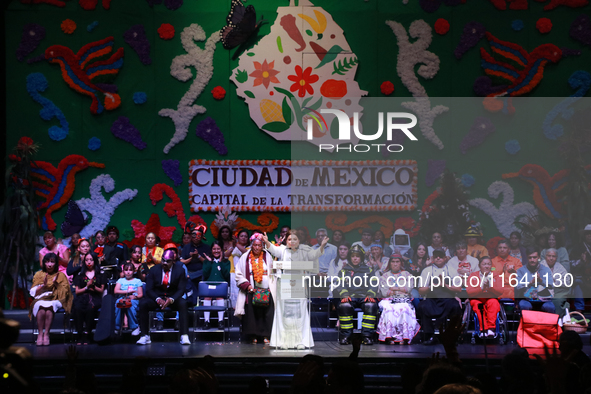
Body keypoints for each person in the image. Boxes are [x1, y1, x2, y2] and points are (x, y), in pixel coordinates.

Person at [264, 230, 328, 349]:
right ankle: (283, 342)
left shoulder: (305, 250)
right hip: (284, 285)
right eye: (289, 239)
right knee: (284, 314)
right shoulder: (282, 250)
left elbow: (314, 255)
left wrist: (322, 245)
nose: (292, 242)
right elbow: (273, 249)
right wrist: (267, 242)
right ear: (286, 241)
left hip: (299, 284)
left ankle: (301, 342)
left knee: (299, 314)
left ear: (299, 240)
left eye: (295, 239)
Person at [137, 245, 191, 345]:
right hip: (157, 297)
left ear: (173, 262)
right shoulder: (154, 270)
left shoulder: (180, 271)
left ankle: (184, 335)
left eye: (168, 261)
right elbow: (149, 289)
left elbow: (181, 289)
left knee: (183, 303)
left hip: (172, 298)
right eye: (163, 260)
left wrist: (171, 299)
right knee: (143, 303)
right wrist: (157, 299)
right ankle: (144, 335)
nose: (164, 263)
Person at [235, 233, 275, 345]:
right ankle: (254, 336)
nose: (257, 247)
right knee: (253, 315)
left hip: (267, 291)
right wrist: (247, 285)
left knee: (266, 314)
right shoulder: (245, 257)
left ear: (262, 246)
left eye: (259, 245)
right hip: (252, 290)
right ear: (251, 246)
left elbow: (273, 272)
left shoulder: (267, 256)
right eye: (255, 245)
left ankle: (266, 335)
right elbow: (238, 274)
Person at [335, 244, 379, 346]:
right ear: (350, 257)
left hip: (364, 296)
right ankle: (346, 336)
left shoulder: (369, 270)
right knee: (344, 306)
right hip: (349, 296)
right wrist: (345, 295)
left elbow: (374, 283)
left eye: (357, 256)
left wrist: (370, 294)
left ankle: (367, 337)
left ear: (362, 258)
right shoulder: (343, 271)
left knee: (371, 305)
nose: (355, 258)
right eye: (353, 256)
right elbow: (340, 284)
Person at [417, 249, 462, 345]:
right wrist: (431, 286)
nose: (438, 258)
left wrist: (444, 285)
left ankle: (451, 336)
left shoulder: (452, 271)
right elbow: (421, 290)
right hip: (432, 299)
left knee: (456, 307)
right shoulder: (427, 271)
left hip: (448, 299)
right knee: (423, 306)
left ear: (445, 258)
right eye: (436, 256)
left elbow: (458, 289)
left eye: (440, 256)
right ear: (433, 258)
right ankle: (429, 335)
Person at [29, 252, 72, 346]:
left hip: (55, 298)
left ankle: (46, 334)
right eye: (47, 262)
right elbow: (33, 292)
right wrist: (43, 286)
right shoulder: (39, 274)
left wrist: (56, 283)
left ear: (56, 263)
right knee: (41, 308)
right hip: (41, 298)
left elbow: (65, 292)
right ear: (44, 263)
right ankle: (40, 334)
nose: (49, 264)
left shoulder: (61, 275)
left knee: (49, 309)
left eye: (52, 262)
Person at [377, 254, 420, 344]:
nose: (395, 264)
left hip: (404, 300)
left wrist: (393, 289)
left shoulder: (408, 275)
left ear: (401, 263)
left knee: (404, 309)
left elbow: (409, 289)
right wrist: (401, 289)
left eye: (397, 262)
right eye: (393, 262)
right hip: (388, 300)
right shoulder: (384, 276)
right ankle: (389, 337)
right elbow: (385, 292)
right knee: (389, 309)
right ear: (390, 263)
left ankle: (404, 337)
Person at [72, 252, 106, 344]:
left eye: (91, 260)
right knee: (77, 308)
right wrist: (87, 287)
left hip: (95, 297)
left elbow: (101, 290)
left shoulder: (100, 273)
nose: (89, 262)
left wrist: (93, 287)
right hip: (82, 296)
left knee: (90, 308)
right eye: (87, 260)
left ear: (95, 260)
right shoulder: (80, 274)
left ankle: (87, 334)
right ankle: (79, 334)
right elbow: (77, 291)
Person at [466, 257, 503, 338]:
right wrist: (482, 288)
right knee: (479, 306)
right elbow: (469, 292)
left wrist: (490, 287)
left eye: (489, 264)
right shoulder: (473, 275)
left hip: (491, 298)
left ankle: (491, 329)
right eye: (484, 264)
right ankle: (483, 329)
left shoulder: (496, 275)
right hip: (477, 299)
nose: (487, 266)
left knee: (493, 303)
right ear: (479, 266)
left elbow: (500, 291)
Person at [515, 247, 555, 313]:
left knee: (550, 307)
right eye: (530, 257)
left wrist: (541, 281)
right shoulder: (521, 270)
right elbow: (518, 287)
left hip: (543, 300)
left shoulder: (545, 270)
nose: (532, 260)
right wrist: (531, 282)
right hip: (526, 299)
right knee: (524, 306)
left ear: (538, 257)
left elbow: (551, 285)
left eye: (534, 257)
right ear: (527, 258)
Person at [201, 241, 231, 330]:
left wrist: (221, 262)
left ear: (222, 250)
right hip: (209, 286)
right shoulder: (207, 261)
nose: (216, 251)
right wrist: (210, 262)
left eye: (218, 249)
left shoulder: (226, 262)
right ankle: (206, 321)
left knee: (219, 297)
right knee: (207, 298)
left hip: (221, 287)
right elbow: (205, 274)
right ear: (211, 250)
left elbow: (226, 275)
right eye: (214, 249)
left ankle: (220, 321)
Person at [114, 262, 143, 336]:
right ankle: (117, 327)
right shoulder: (121, 280)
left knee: (130, 304)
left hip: (133, 299)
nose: (128, 272)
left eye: (130, 270)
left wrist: (135, 297)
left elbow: (140, 294)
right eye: (126, 270)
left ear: (133, 271)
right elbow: (116, 290)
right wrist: (127, 292)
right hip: (122, 298)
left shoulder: (137, 281)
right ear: (123, 271)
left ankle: (135, 327)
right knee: (118, 303)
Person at [541, 248, 570, 319]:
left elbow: (567, 281)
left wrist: (556, 281)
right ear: (545, 257)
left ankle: (557, 321)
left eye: (553, 256)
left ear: (556, 258)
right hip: (543, 290)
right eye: (549, 256)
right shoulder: (540, 265)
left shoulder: (560, 267)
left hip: (558, 291)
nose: (551, 258)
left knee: (558, 300)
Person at [180, 225, 211, 289]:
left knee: (206, 270)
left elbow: (208, 263)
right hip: (189, 271)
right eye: (194, 235)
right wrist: (192, 258)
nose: (196, 238)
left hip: (201, 272)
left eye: (198, 236)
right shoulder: (186, 247)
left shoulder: (206, 247)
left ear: (202, 236)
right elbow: (182, 261)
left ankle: (191, 276)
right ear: (191, 236)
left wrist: (198, 256)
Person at [571, 224, 591, 313]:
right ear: (584, 235)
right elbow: (571, 265)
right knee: (577, 282)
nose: (589, 235)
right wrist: (581, 261)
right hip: (582, 277)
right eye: (587, 234)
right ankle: (579, 310)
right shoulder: (577, 248)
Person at [405, 242, 431, 309]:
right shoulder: (410, 262)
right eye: (419, 249)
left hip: (427, 287)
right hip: (414, 287)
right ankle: (419, 313)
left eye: (424, 250)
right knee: (415, 297)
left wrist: (428, 265)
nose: (421, 251)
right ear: (416, 250)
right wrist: (424, 266)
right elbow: (412, 275)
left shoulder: (429, 261)